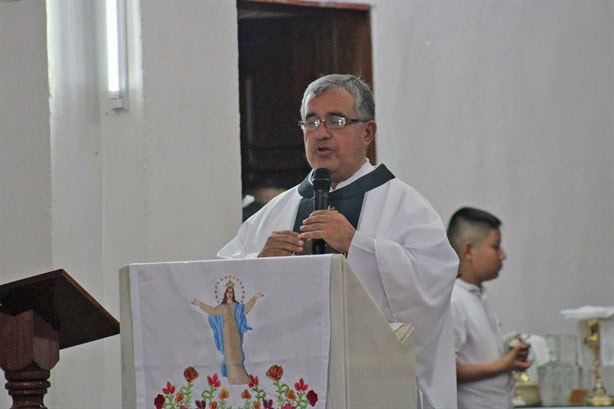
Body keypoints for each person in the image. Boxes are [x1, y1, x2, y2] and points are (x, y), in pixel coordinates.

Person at [218, 74, 459, 408]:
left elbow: (434, 281)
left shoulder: (405, 204)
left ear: (368, 132)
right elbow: (223, 285)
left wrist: (357, 246)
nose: (321, 132)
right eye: (311, 121)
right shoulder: (275, 212)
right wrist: (260, 264)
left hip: (372, 388)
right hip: (289, 384)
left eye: (336, 120)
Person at [447, 207, 533, 409]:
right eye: (496, 247)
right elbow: (445, 371)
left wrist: (509, 351)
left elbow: (475, 353)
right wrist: (503, 365)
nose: (503, 256)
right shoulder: (453, 300)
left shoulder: (478, 295)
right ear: (469, 250)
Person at [191, 280, 264, 384]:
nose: (230, 294)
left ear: (233, 294)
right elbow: (212, 311)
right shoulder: (223, 307)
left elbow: (246, 308)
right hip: (226, 331)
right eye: (228, 292)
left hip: (235, 330)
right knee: (229, 353)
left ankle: (241, 377)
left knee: (237, 353)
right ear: (225, 294)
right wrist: (199, 304)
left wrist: (255, 297)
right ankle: (233, 378)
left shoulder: (236, 306)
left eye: (231, 292)